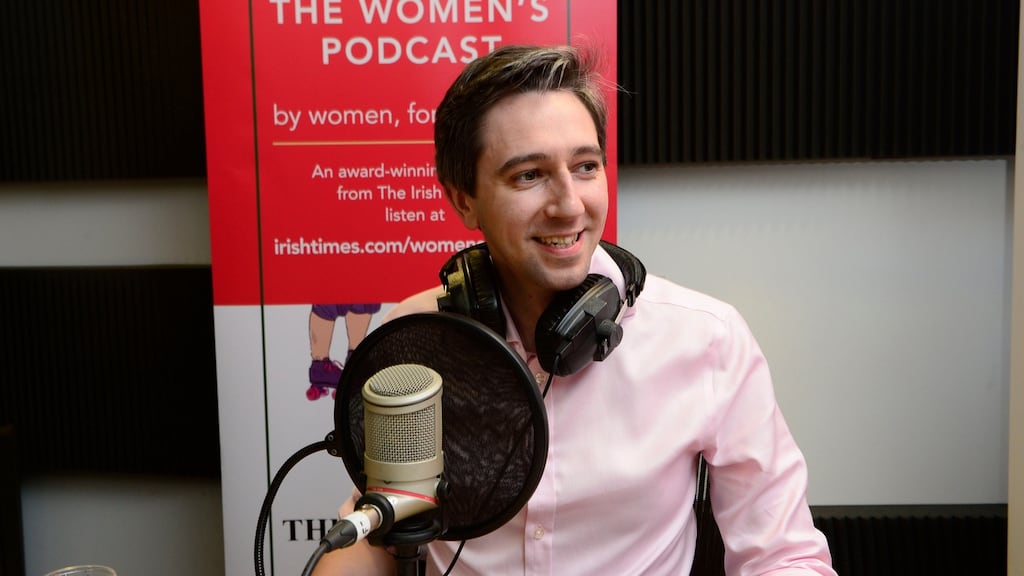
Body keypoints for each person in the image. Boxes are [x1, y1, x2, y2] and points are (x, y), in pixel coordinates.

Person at [314, 44, 835, 575]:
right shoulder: (415, 338)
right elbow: (379, 531)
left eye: (585, 166)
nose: (569, 205)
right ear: (463, 199)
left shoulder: (707, 340)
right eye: (528, 175)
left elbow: (785, 557)